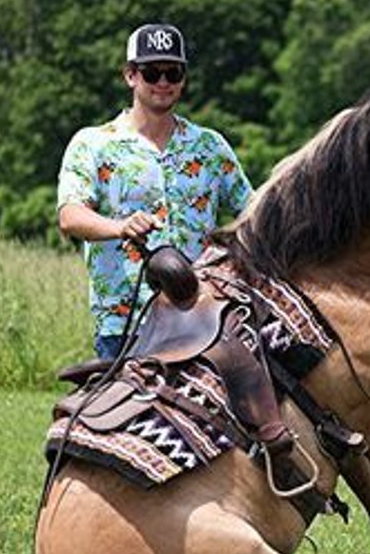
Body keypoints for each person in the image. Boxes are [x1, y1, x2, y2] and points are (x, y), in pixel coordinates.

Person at [56, 23, 253, 360]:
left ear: (184, 79)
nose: (163, 82)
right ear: (130, 75)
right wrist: (119, 227)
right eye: (152, 72)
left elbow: (252, 210)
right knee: (128, 414)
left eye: (173, 72)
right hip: (125, 323)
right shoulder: (93, 143)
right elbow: (70, 216)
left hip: (201, 316)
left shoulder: (210, 146)